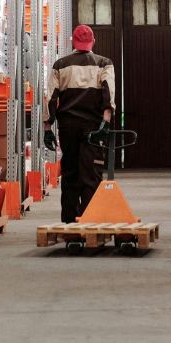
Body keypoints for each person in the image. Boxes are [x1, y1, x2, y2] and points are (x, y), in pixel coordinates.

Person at [45, 24, 115, 224]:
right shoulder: (104, 63)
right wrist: (106, 122)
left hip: (68, 127)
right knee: (91, 174)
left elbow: (50, 98)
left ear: (72, 42)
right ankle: (90, 221)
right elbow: (108, 93)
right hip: (93, 127)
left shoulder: (60, 65)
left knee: (70, 173)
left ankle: (69, 221)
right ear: (93, 42)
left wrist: (48, 128)